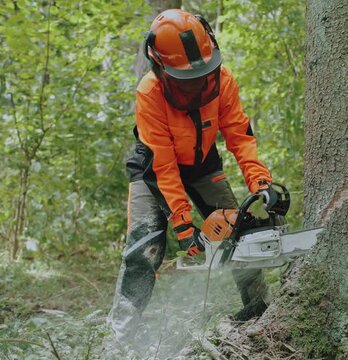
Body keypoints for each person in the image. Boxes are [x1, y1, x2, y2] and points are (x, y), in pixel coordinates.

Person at [108, 9, 277, 342]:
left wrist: (260, 182)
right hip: (152, 169)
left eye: (202, 73)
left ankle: (261, 311)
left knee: (239, 230)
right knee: (144, 247)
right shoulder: (150, 92)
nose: (198, 82)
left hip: (202, 164)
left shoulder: (223, 80)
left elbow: (239, 136)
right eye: (187, 77)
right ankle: (119, 336)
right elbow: (163, 164)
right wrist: (183, 224)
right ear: (160, 65)